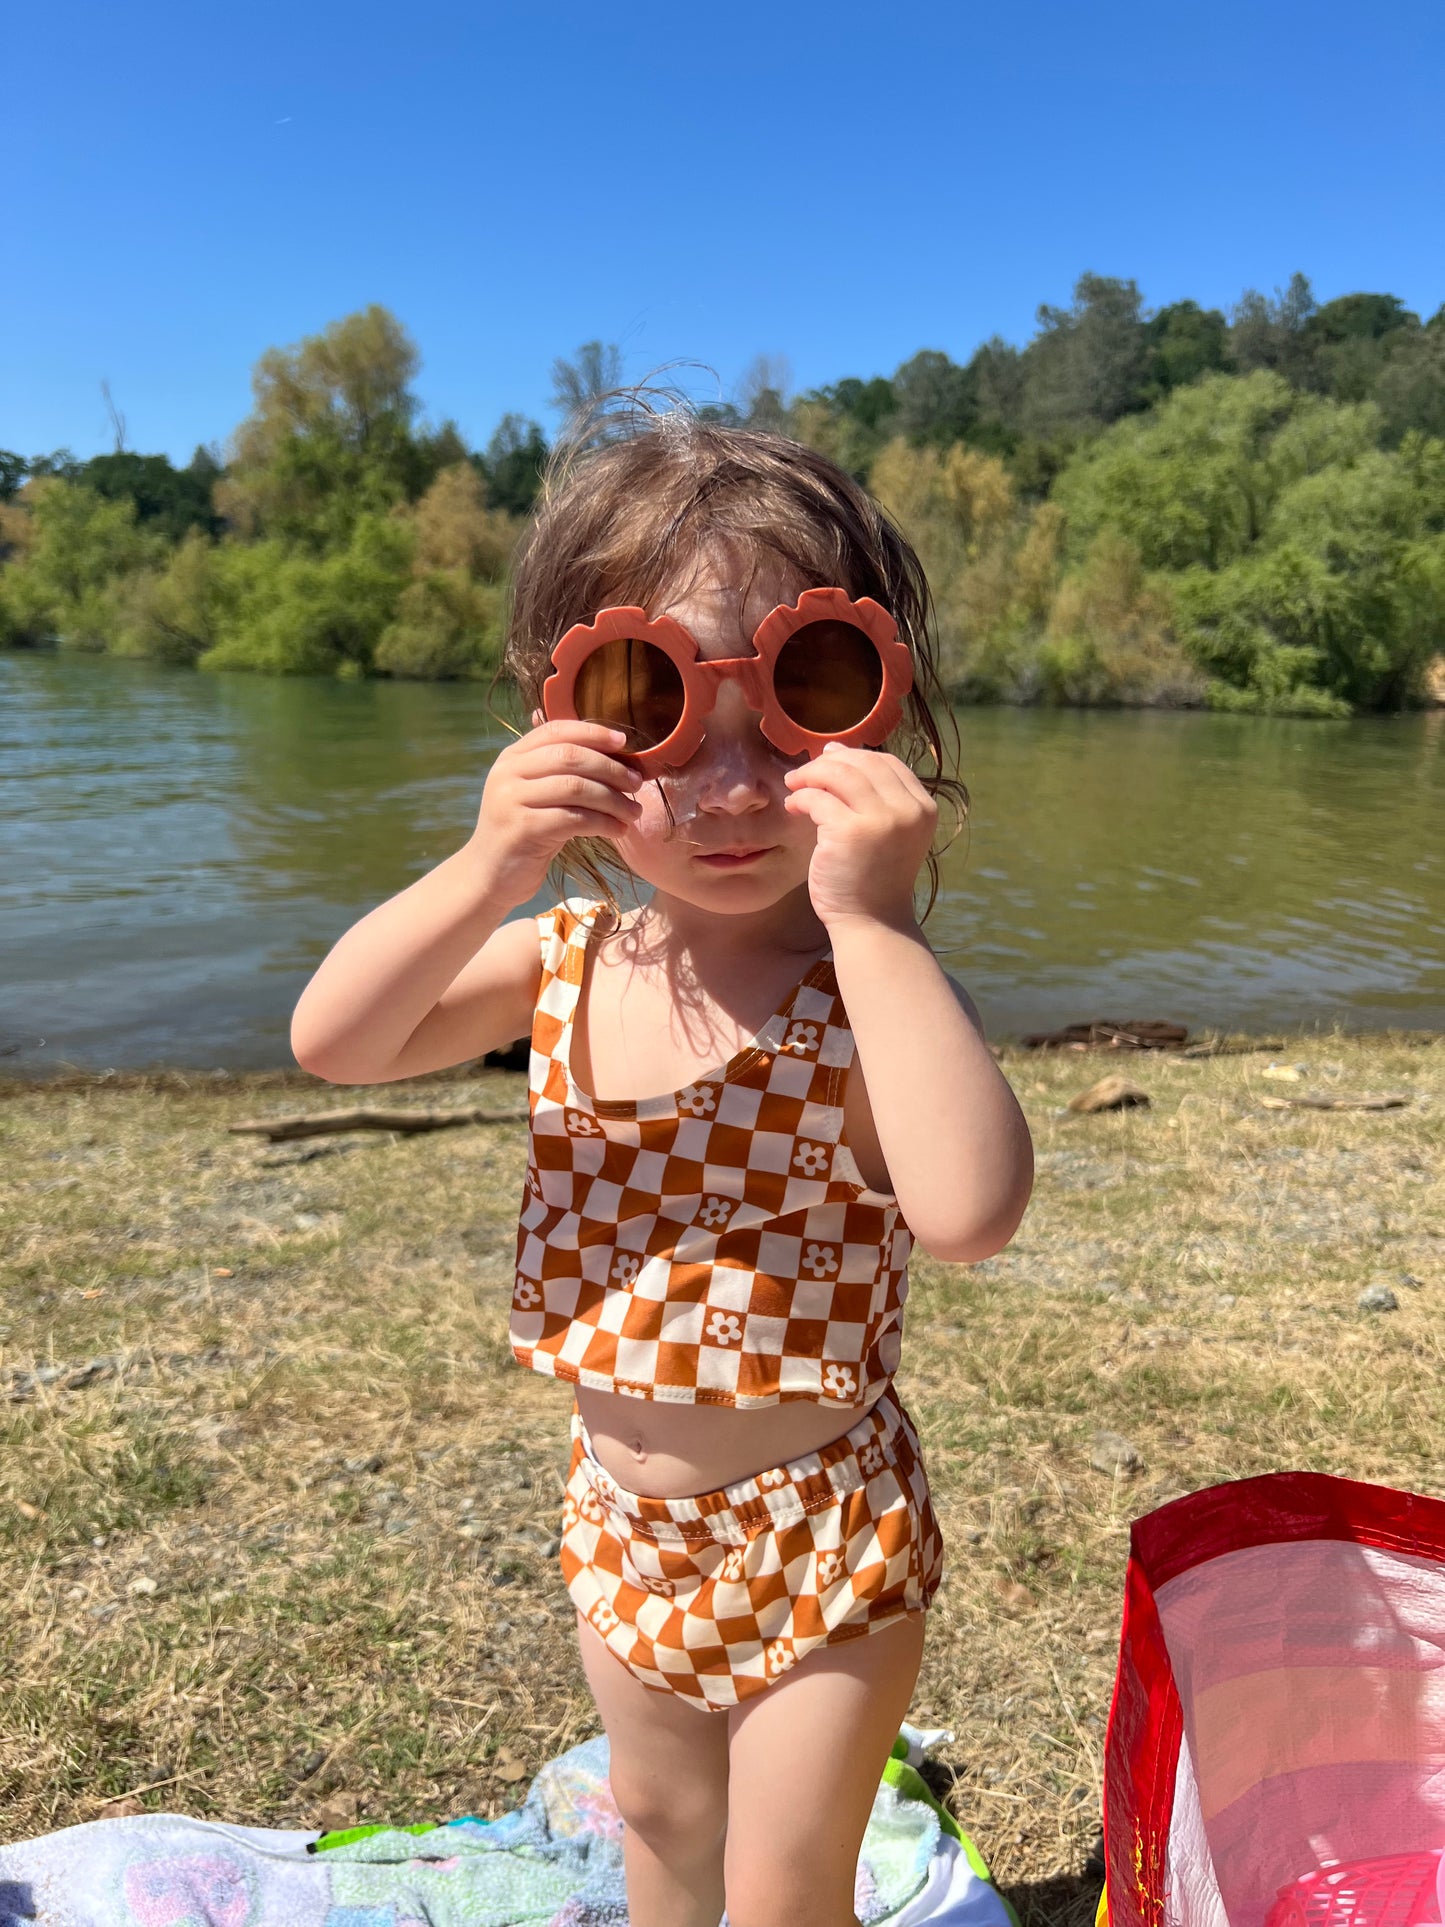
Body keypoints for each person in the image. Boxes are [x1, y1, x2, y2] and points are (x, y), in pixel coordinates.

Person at [291, 408, 1035, 1927]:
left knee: (779, 1897)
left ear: (881, 716)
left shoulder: (863, 989)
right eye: (653, 707)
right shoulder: (554, 959)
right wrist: (486, 861)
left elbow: (967, 1213)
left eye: (802, 700)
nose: (729, 784)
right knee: (658, 1835)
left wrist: (881, 925)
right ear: (558, 717)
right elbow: (336, 1043)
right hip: (620, 1527)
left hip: (821, 1533)